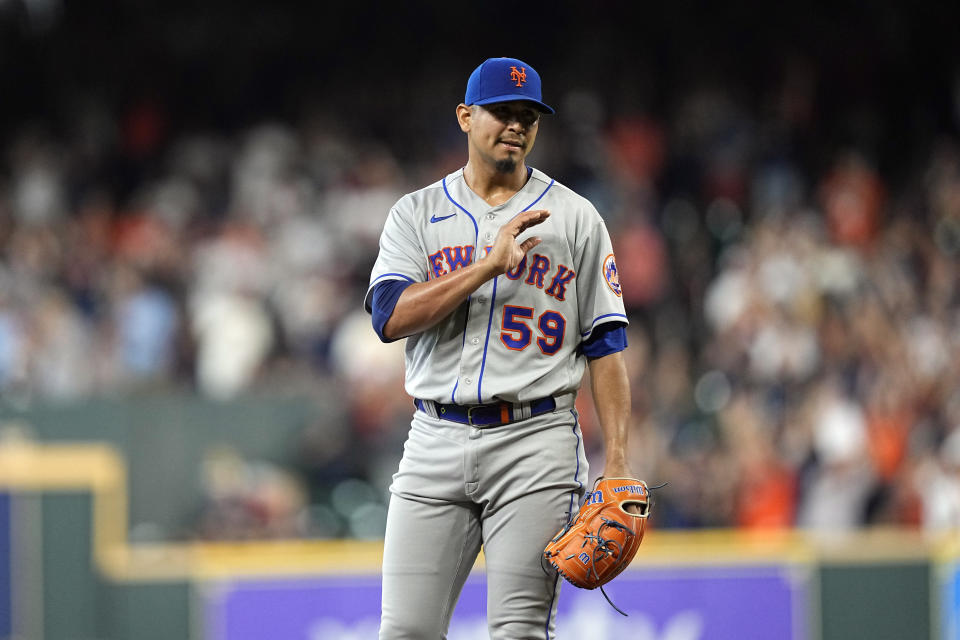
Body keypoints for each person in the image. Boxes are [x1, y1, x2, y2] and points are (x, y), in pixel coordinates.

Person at [365, 56, 638, 639]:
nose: (516, 125)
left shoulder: (576, 218)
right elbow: (389, 317)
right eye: (501, 113)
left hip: (534, 442)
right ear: (466, 117)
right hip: (433, 439)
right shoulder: (415, 214)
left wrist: (616, 461)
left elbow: (607, 347)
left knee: (518, 632)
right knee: (404, 631)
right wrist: (486, 266)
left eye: (528, 116)